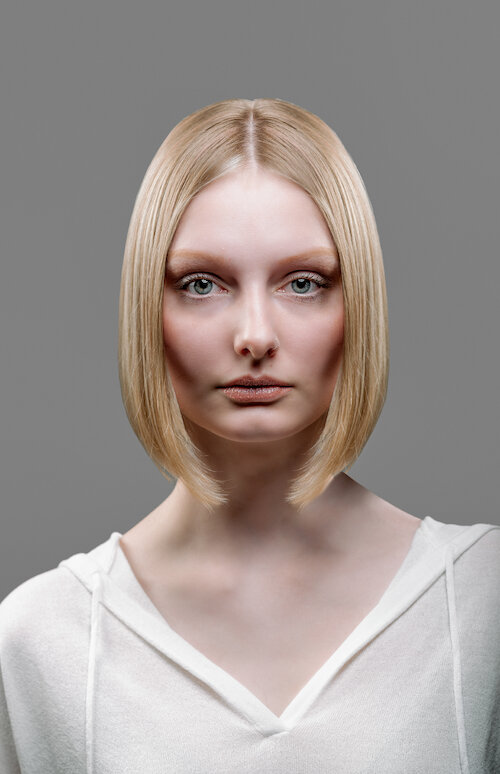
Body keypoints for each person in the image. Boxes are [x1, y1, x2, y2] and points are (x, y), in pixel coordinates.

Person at [0, 97, 498, 773]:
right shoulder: (44, 639)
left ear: (358, 304)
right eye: (203, 284)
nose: (256, 336)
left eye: (304, 283)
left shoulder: (481, 601)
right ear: (149, 306)